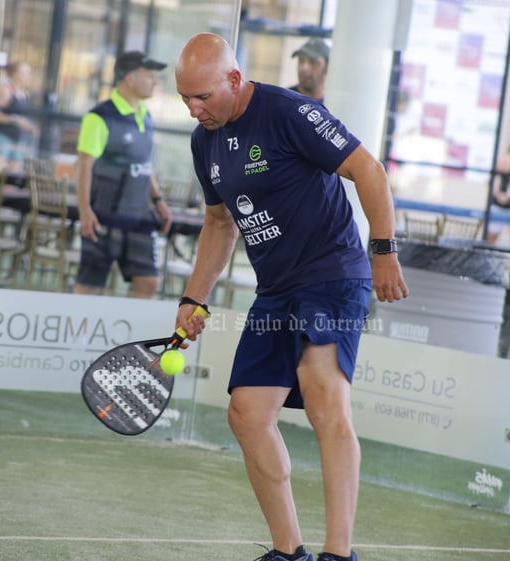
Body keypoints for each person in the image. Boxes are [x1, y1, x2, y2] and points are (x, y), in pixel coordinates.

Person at [173, 33, 408, 561]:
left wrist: (384, 250)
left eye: (203, 97)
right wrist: (195, 298)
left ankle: (339, 553)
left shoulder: (290, 112)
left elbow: (368, 169)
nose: (193, 108)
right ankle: (289, 551)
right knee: (247, 414)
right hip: (277, 289)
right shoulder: (203, 139)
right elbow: (218, 222)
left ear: (234, 79)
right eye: (184, 98)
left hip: (331, 275)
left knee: (324, 395)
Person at [73, 51, 172, 298]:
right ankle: (79, 336)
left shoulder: (146, 117)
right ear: (130, 78)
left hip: (138, 217)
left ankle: (129, 336)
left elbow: (144, 164)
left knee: (148, 281)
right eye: (150, 75)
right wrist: (85, 212)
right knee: (90, 285)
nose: (155, 82)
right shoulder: (99, 117)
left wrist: (158, 200)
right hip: (103, 217)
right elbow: (84, 166)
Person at [0, 61, 38, 175]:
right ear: (15, 74)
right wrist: (14, 119)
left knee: (14, 177)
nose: (28, 76)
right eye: (25, 73)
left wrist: (30, 126)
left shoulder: (25, 94)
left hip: (18, 141)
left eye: (29, 73)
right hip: (3, 138)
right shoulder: (6, 91)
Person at [288, 37, 329, 102]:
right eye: (301, 60)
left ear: (327, 67)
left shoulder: (332, 104)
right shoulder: (285, 99)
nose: (304, 68)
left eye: (313, 62)